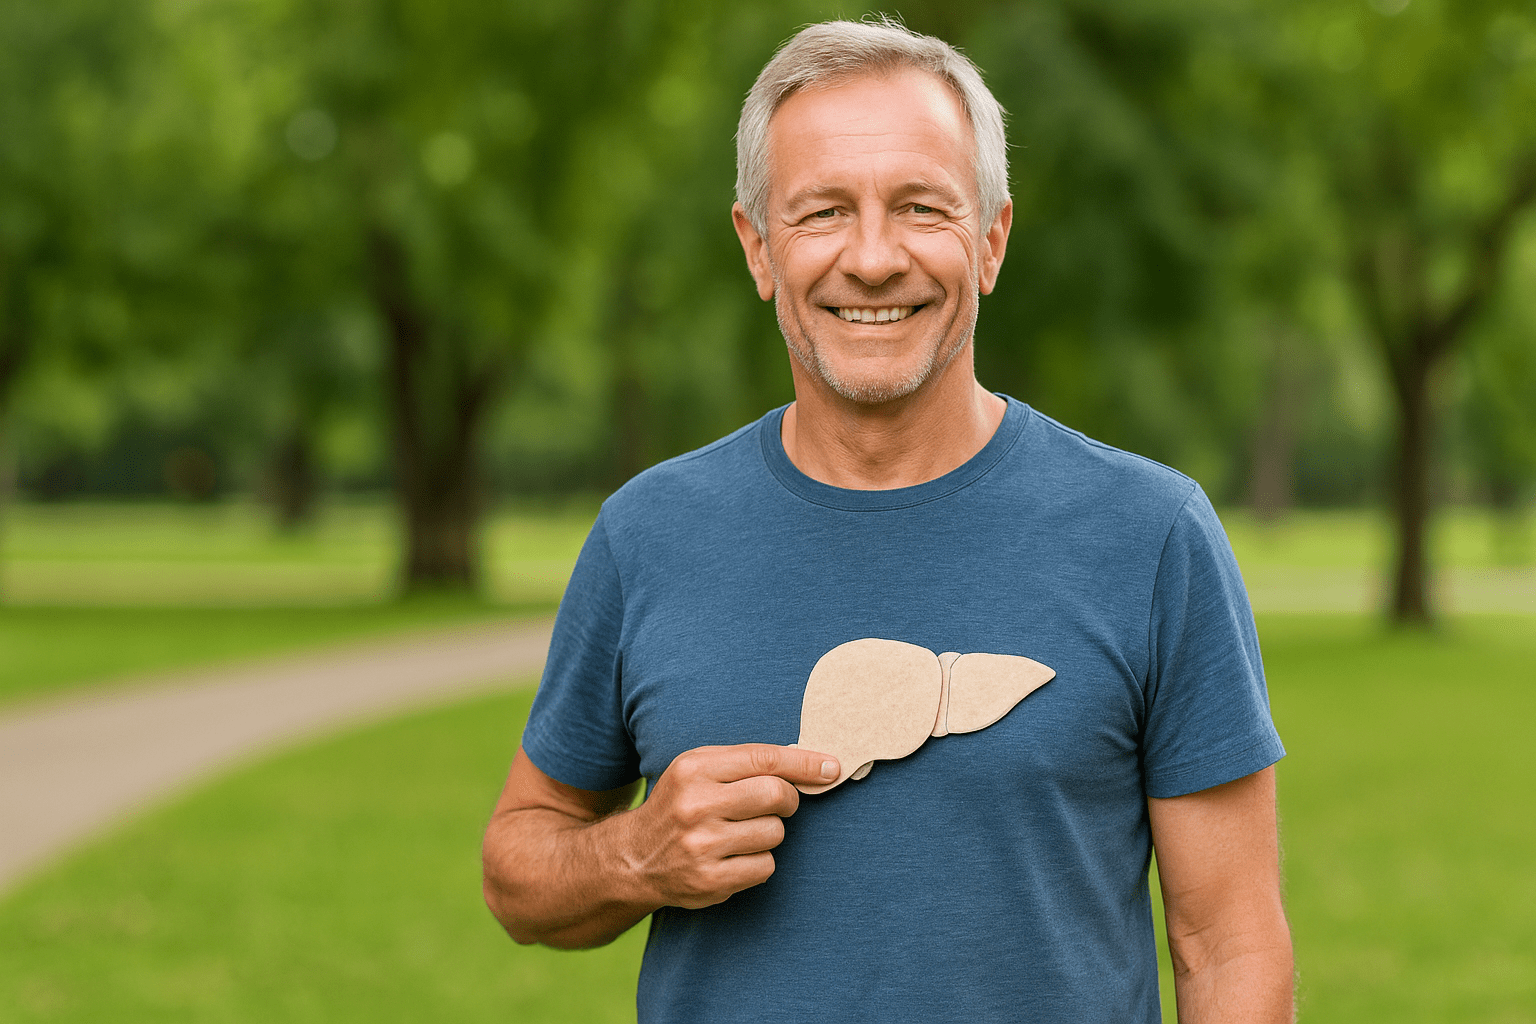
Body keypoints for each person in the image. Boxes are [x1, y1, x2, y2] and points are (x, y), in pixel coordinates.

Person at [482, 18, 1293, 1024]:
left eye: (921, 208)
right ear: (758, 247)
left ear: (990, 242)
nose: (872, 259)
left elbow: (1229, 943)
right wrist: (636, 853)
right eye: (822, 211)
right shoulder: (646, 532)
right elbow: (520, 867)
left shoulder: (1152, 534)